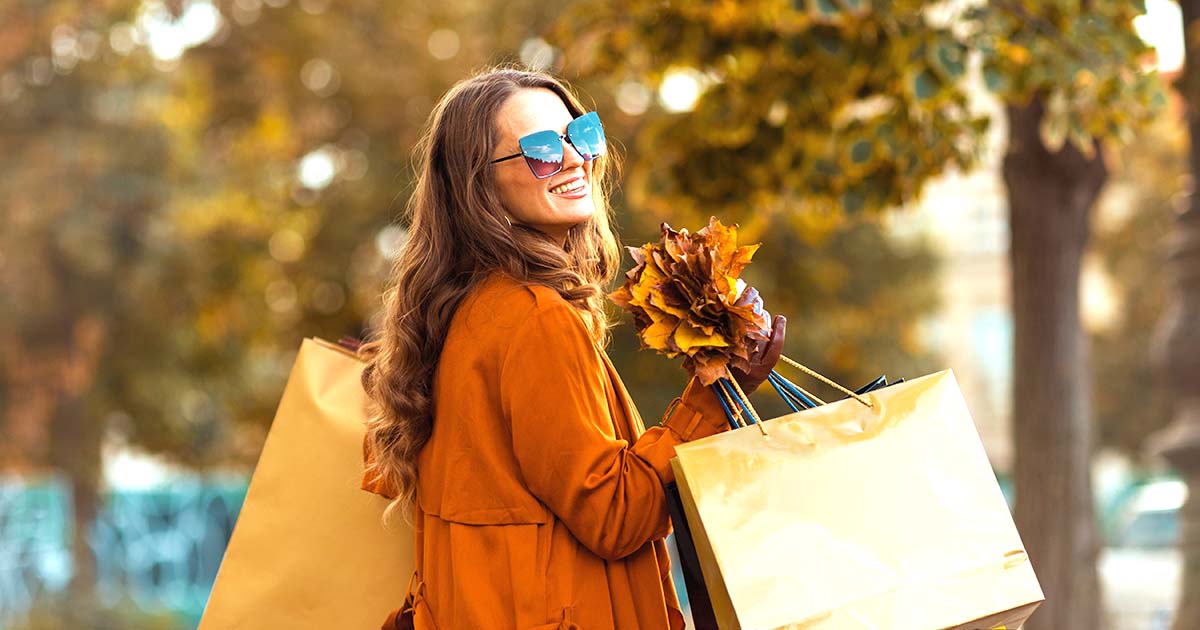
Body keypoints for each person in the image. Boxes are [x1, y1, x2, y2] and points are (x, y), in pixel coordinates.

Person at [358, 66, 785, 630]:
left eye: (580, 135)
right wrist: (713, 398)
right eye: (537, 150)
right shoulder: (534, 318)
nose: (571, 159)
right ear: (477, 186)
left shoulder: (459, 313)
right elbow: (614, 517)